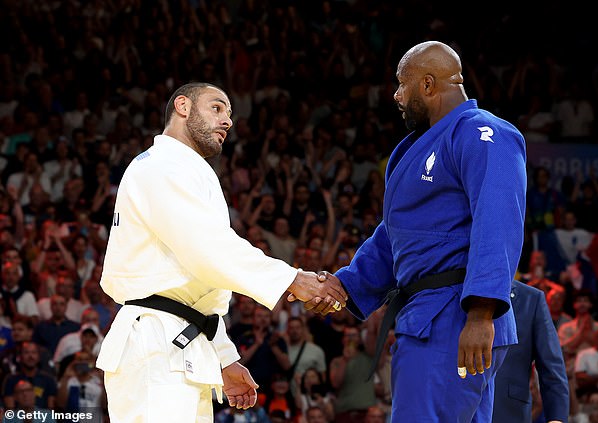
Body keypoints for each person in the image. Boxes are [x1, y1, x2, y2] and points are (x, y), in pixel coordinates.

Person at [95, 82, 347, 423]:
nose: (227, 121)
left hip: (182, 342)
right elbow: (208, 250)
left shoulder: (188, 169)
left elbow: (198, 284)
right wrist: (292, 279)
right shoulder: (160, 165)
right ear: (182, 107)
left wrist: (224, 356)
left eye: (229, 114)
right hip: (154, 343)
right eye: (217, 108)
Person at [311, 41, 526, 421]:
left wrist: (480, 312)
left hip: (453, 316)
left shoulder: (483, 134)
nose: (395, 95)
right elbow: (397, 234)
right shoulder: (416, 147)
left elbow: (499, 223)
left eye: (401, 84)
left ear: (428, 85)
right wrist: (346, 286)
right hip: (432, 315)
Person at [492, 280, 569, 423]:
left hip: (509, 412)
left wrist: (556, 418)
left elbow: (551, 365)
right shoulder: (448, 290)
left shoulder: (531, 298)